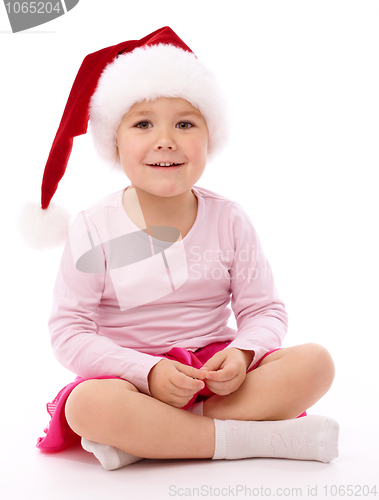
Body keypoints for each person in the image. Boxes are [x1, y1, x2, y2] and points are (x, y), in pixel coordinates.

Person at [29, 27, 338, 470]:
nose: (165, 139)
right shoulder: (94, 227)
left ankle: (156, 439)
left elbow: (264, 310)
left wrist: (243, 353)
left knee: (315, 363)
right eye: (142, 123)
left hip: (216, 375)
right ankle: (252, 438)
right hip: (132, 378)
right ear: (114, 142)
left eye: (185, 123)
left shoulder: (229, 218)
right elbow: (70, 331)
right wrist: (147, 372)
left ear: (210, 136)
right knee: (88, 405)